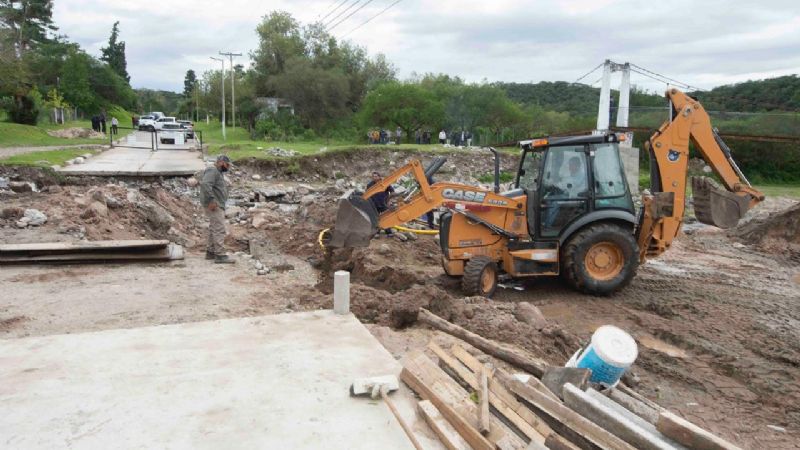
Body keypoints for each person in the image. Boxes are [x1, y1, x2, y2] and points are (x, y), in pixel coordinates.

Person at [200, 155, 235, 264]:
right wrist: (212, 200)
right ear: (221, 162)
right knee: (219, 229)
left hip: (216, 203)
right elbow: (205, 184)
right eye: (227, 165)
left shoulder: (217, 172)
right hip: (215, 205)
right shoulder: (212, 170)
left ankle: (210, 252)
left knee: (213, 228)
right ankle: (220, 255)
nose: (228, 167)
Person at [543, 156, 587, 230]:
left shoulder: (581, 175)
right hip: (571, 194)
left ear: (577, 165)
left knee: (554, 202)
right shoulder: (574, 174)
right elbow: (567, 183)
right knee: (549, 198)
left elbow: (568, 185)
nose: (570, 167)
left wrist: (554, 184)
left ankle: (547, 226)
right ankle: (545, 221)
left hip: (577, 196)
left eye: (571, 165)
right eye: (569, 165)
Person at [366, 171, 395, 235]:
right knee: (376, 218)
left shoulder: (385, 183)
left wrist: (389, 200)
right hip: (375, 204)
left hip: (384, 203)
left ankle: (388, 232)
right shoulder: (370, 185)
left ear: (379, 177)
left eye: (376, 176)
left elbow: (392, 191)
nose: (374, 178)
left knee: (387, 217)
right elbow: (367, 194)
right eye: (373, 176)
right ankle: (377, 232)